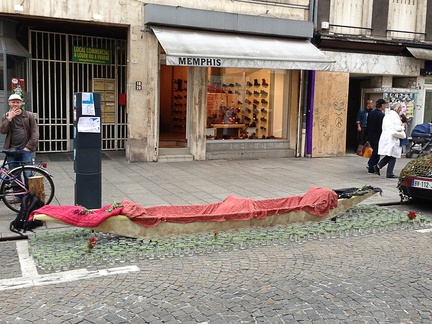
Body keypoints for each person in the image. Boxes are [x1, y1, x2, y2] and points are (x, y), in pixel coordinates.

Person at [0, 93, 39, 167]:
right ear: (9, 103)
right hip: (11, 149)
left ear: (21, 103)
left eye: (17, 102)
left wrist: (28, 147)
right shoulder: (6, 116)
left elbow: (35, 132)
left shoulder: (28, 115)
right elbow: (2, 131)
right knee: (14, 173)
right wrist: (9, 119)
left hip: (25, 149)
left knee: (28, 173)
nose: (15, 104)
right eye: (13, 102)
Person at [374, 102, 404, 178]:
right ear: (397, 109)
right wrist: (402, 127)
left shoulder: (387, 116)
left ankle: (378, 166)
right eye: (400, 108)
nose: (400, 110)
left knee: (389, 154)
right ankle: (389, 173)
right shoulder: (395, 117)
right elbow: (397, 127)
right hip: (392, 137)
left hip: (386, 136)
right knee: (393, 155)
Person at [365, 99, 386, 174]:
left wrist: (366, 136)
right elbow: (380, 128)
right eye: (384, 105)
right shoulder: (381, 115)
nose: (385, 106)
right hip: (377, 136)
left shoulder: (371, 113)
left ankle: (372, 165)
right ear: (382, 105)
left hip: (370, 135)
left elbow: (367, 125)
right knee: (376, 152)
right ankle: (371, 166)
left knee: (375, 151)